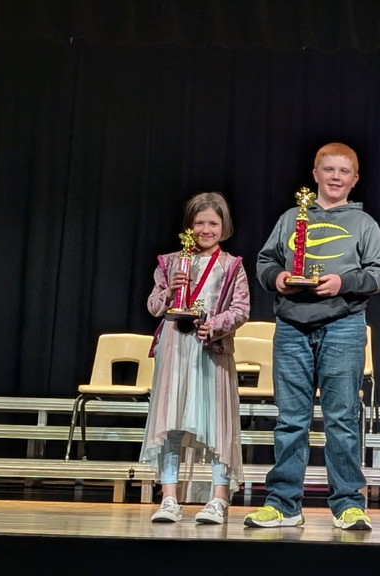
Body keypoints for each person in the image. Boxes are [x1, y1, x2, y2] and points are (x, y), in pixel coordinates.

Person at [245, 142, 380, 530]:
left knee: (341, 418)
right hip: (292, 325)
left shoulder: (365, 225)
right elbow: (265, 261)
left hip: (343, 326)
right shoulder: (291, 217)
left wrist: (343, 282)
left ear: (355, 179)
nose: (335, 177)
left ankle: (347, 503)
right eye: (328, 170)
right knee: (291, 420)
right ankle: (283, 504)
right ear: (315, 174)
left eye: (344, 172)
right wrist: (277, 278)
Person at [142, 191, 250, 525]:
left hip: (211, 350)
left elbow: (241, 309)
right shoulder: (171, 262)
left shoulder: (231, 266)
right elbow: (153, 307)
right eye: (200, 222)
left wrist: (214, 326)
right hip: (175, 349)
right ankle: (170, 497)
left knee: (217, 423)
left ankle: (218, 498)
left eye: (213, 223)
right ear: (189, 225)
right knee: (171, 421)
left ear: (224, 226)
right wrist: (171, 291)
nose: (206, 229)